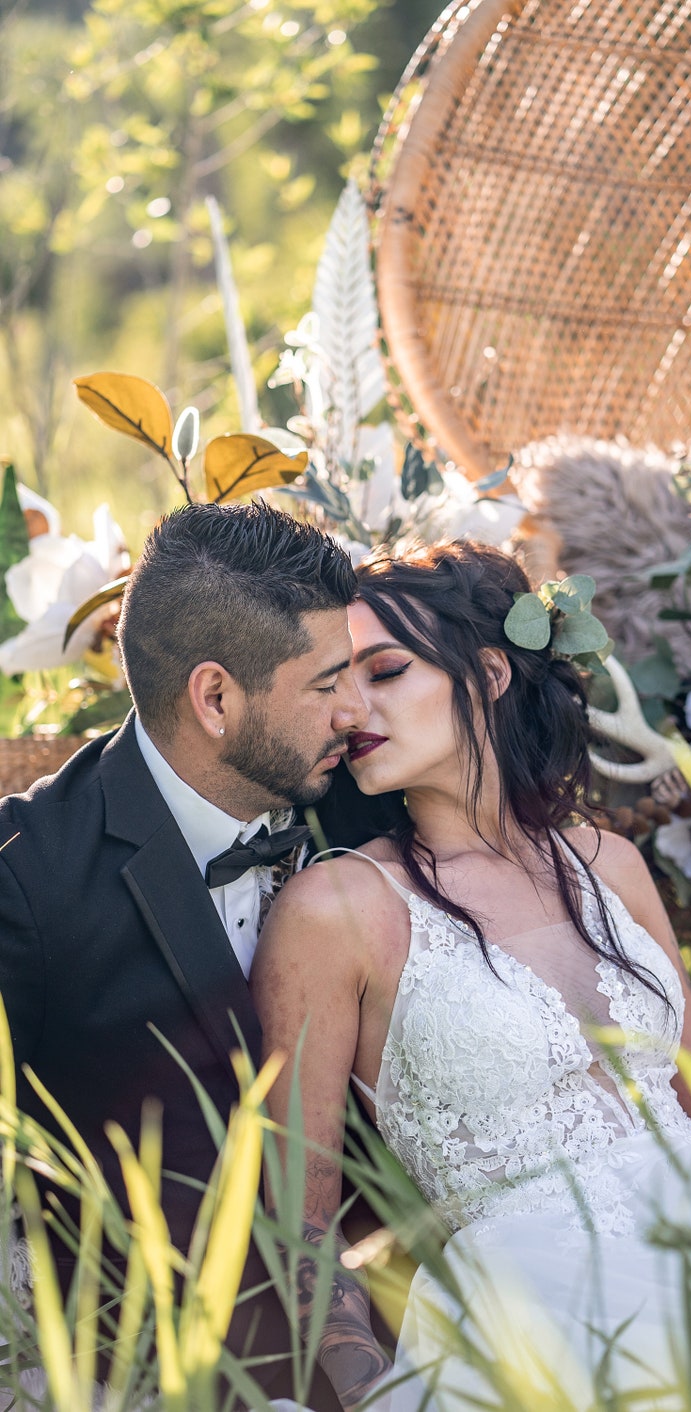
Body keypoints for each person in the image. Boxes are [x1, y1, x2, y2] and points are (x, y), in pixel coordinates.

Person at [252, 538, 691, 1411]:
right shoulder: (340, 910)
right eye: (332, 686)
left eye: (384, 671)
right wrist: (369, 1394)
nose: (350, 710)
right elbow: (297, 1219)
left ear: (492, 672)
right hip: (550, 1311)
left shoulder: (609, 863)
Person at [0, 499, 367, 1409]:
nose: (357, 711)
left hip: (396, 1324)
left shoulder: (366, 790)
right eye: (326, 685)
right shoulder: (26, 883)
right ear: (214, 697)